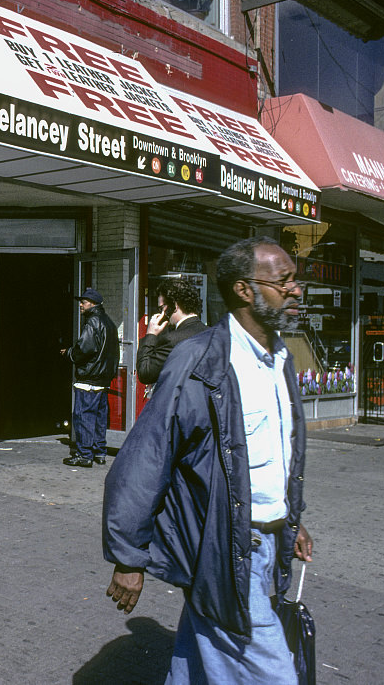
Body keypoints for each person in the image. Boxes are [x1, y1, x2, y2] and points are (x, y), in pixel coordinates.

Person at [103, 236, 314, 684]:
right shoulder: (199, 360)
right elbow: (145, 459)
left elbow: (266, 455)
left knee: (196, 663)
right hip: (227, 550)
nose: (297, 290)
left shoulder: (279, 359)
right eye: (285, 281)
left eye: (296, 280)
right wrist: (128, 557)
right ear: (244, 289)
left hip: (268, 546)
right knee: (274, 675)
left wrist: (288, 518)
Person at [60, 288, 118, 468]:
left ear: (92, 304)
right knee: (100, 418)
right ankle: (99, 452)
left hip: (89, 378)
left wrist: (69, 353)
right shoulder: (109, 323)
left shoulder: (92, 322)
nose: (80, 305)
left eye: (83, 302)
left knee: (84, 416)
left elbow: (84, 349)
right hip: (103, 380)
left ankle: (84, 454)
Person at [136, 277, 208, 388]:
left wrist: (150, 334)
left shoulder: (171, 340)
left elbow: (145, 373)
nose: (161, 314)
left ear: (174, 305)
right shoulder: (211, 333)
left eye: (162, 308)